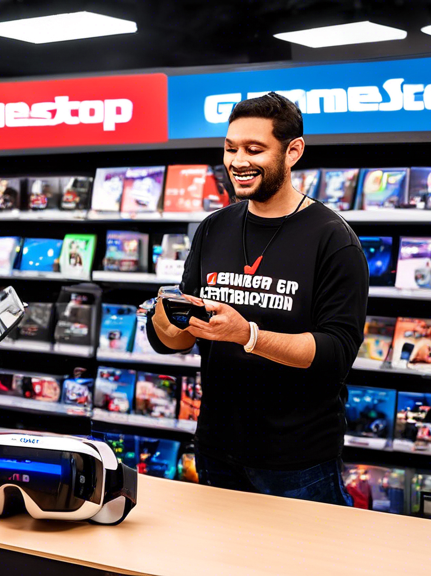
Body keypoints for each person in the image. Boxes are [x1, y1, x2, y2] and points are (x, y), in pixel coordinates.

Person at [147, 92, 368, 505]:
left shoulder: (333, 239)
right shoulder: (213, 228)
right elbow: (176, 340)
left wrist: (248, 335)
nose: (238, 161)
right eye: (230, 149)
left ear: (293, 151)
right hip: (216, 448)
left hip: (298, 462)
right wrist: (164, 317)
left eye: (254, 149)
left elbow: (336, 353)